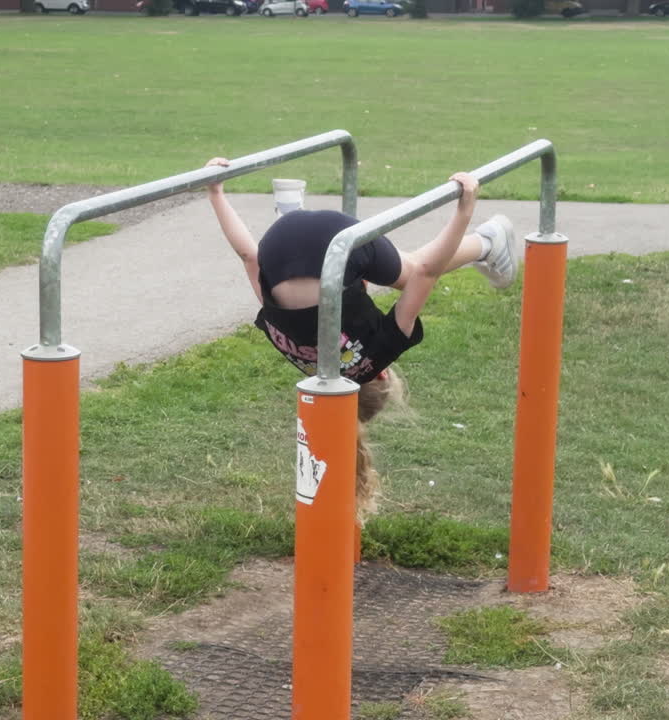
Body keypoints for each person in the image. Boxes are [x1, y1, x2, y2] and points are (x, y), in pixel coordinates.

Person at [203, 157, 520, 520]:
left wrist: (465, 208)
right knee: (329, 292)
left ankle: (486, 243)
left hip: (341, 242)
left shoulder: (380, 353)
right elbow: (248, 256)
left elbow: (427, 272)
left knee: (410, 272)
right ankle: (290, 210)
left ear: (382, 376)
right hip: (278, 243)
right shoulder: (294, 353)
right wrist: (216, 193)